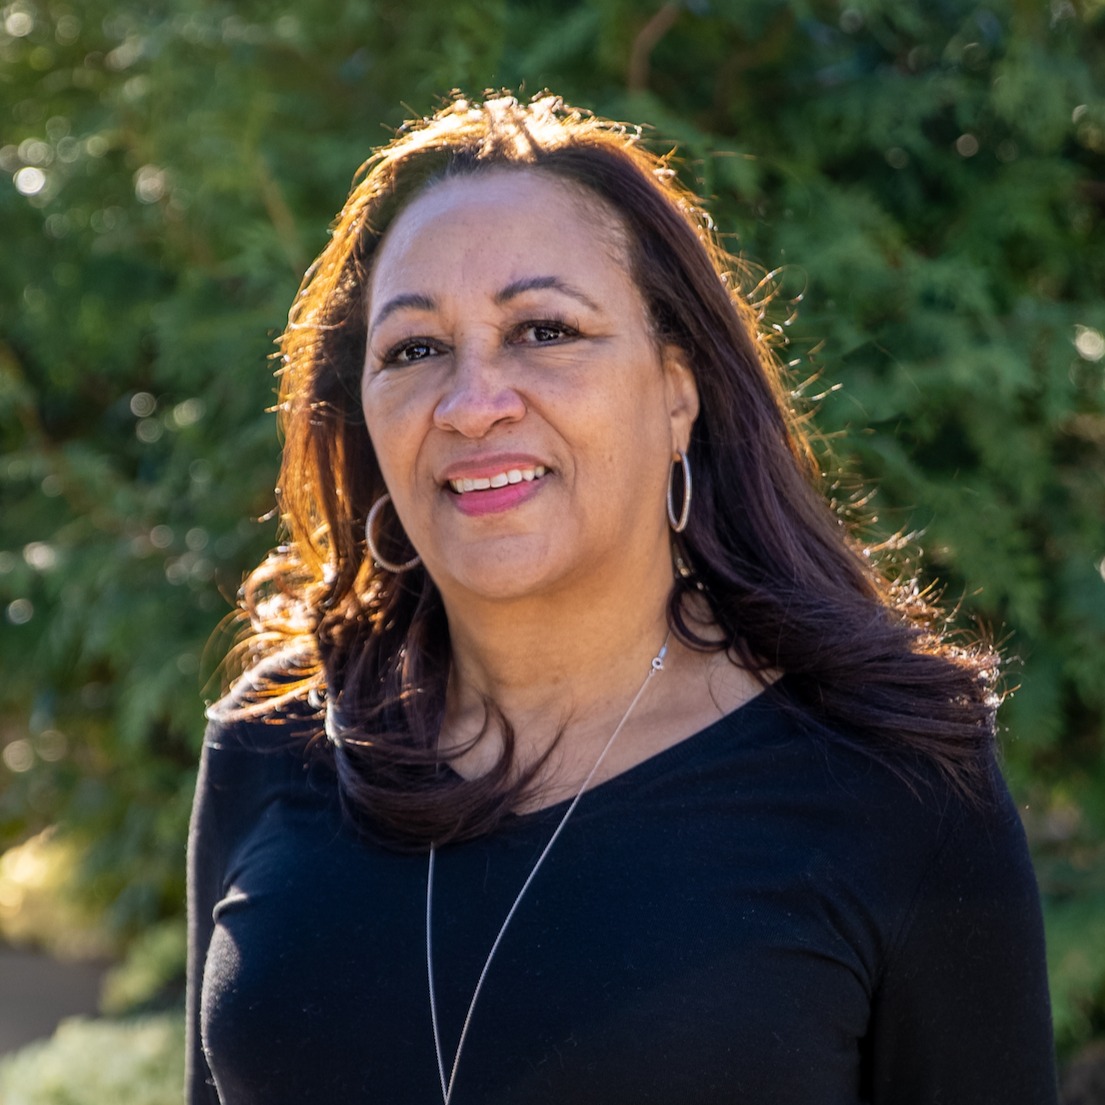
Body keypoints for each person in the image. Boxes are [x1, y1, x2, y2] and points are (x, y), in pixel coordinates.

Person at [187, 93, 1057, 1105]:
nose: (472, 403)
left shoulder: (893, 779)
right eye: (414, 350)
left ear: (677, 390)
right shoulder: (275, 736)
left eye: (545, 329)